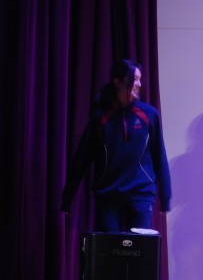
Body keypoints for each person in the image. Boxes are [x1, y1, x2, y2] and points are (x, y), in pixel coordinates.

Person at [61, 59, 171, 231]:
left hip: (141, 193)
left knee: (140, 246)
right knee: (110, 247)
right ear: (118, 82)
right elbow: (82, 158)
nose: (138, 84)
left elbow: (159, 156)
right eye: (134, 79)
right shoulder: (101, 118)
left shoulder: (149, 115)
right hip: (108, 194)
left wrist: (165, 196)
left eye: (140, 79)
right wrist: (67, 197)